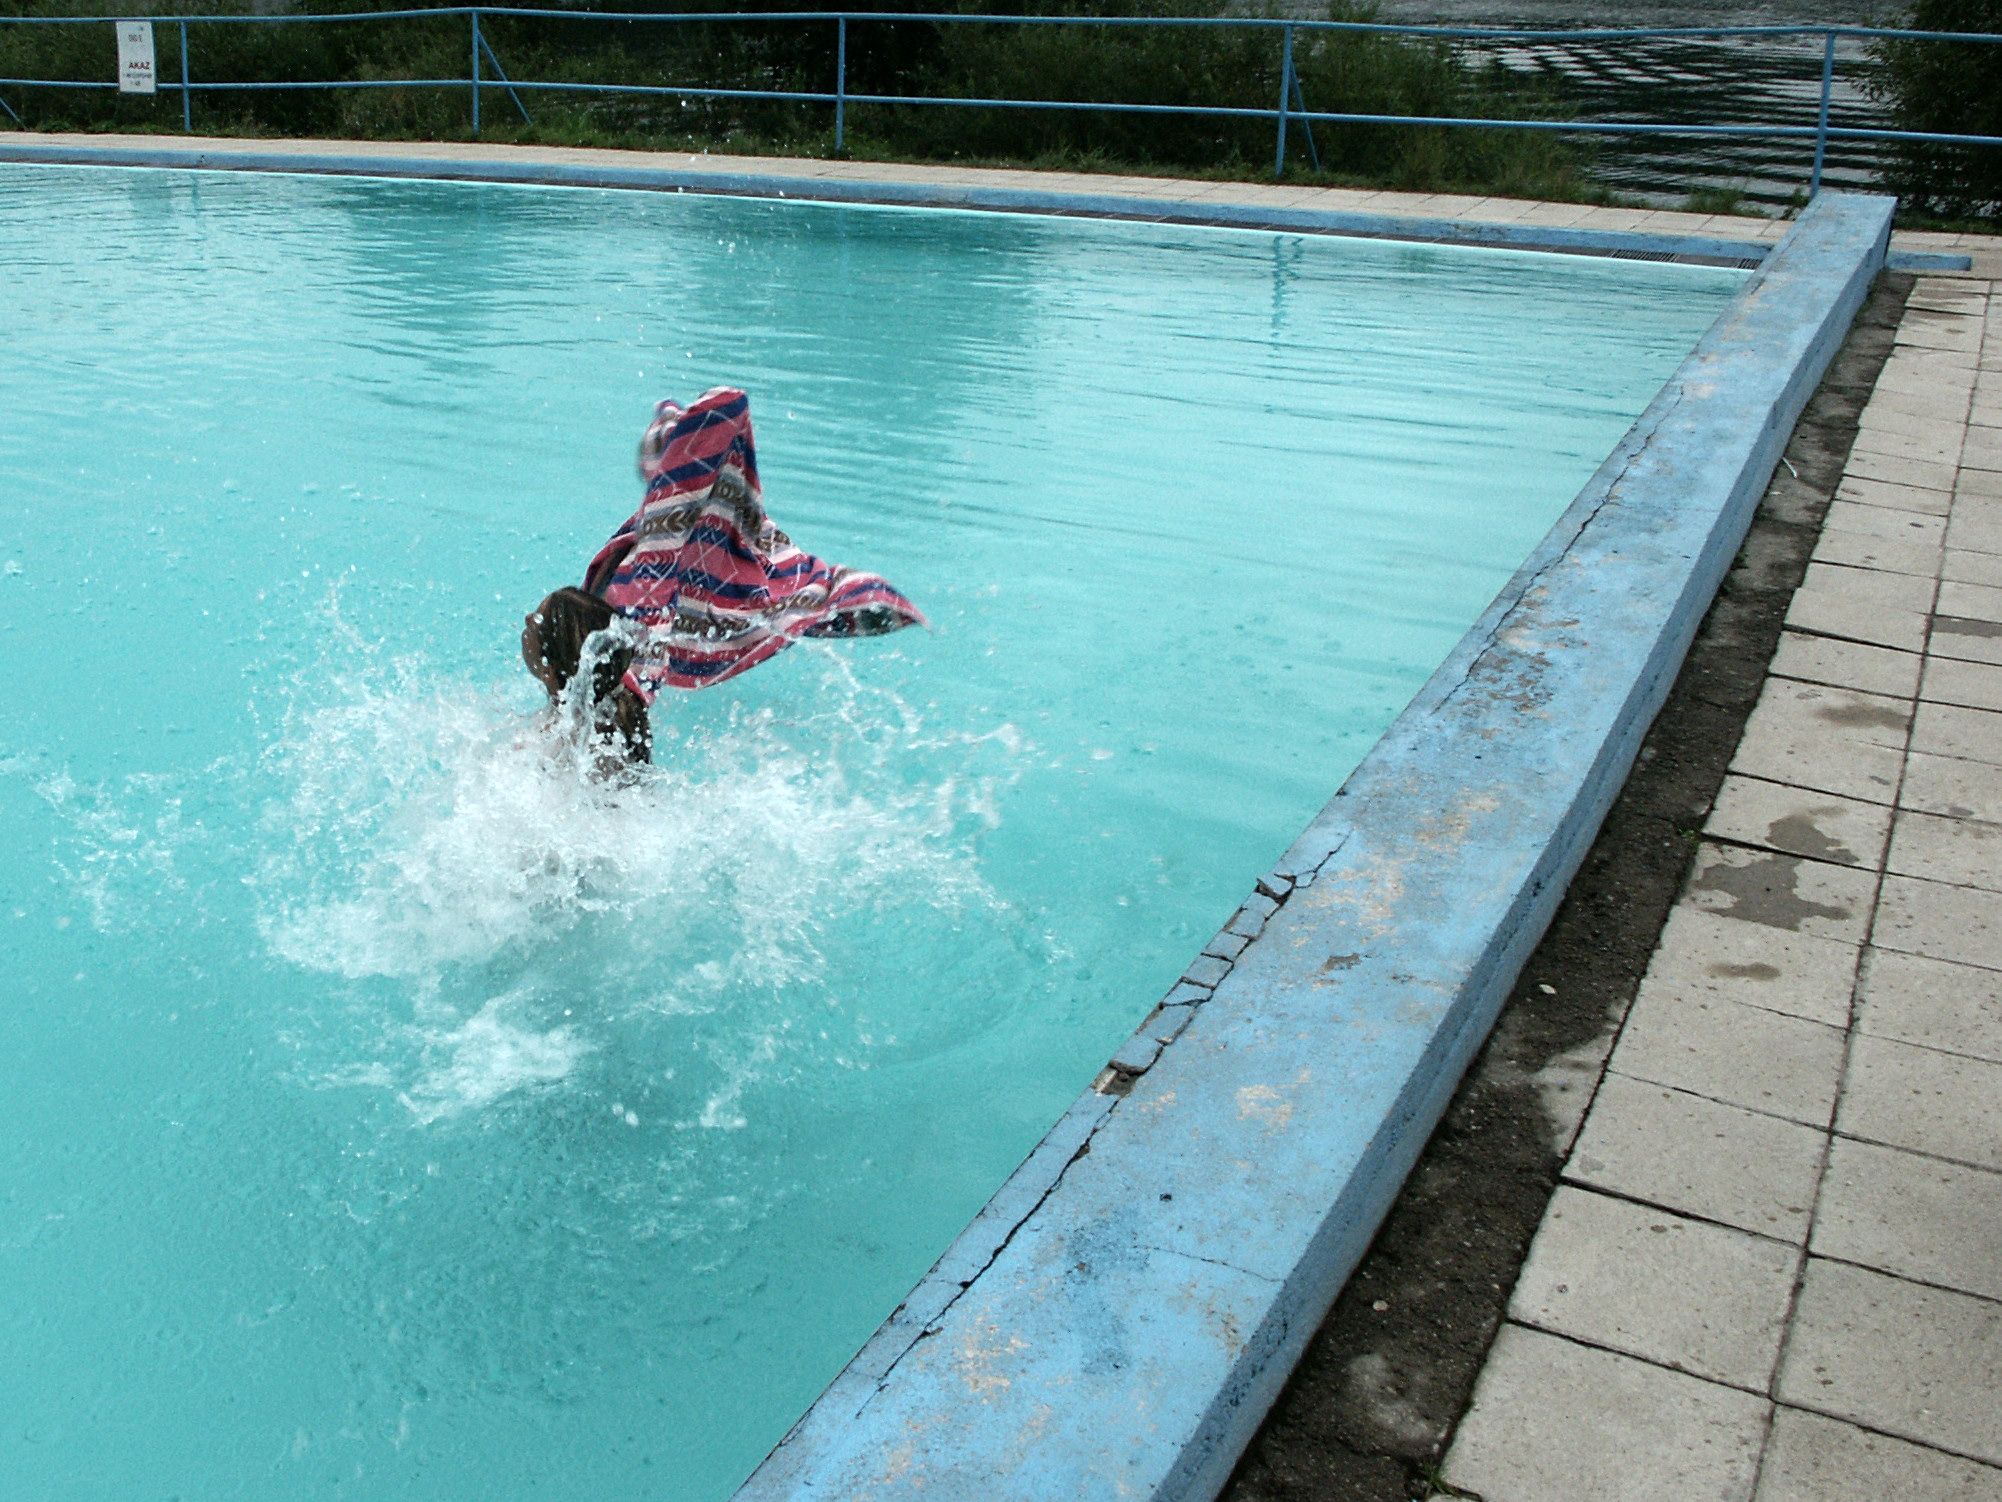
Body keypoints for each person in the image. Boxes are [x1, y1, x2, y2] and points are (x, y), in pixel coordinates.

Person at [522, 387, 926, 765]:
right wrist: (670, 448)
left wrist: (674, 455)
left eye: (537, 620)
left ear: (558, 662)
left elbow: (728, 404)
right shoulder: (617, 679)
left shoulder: (639, 598)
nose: (527, 619)